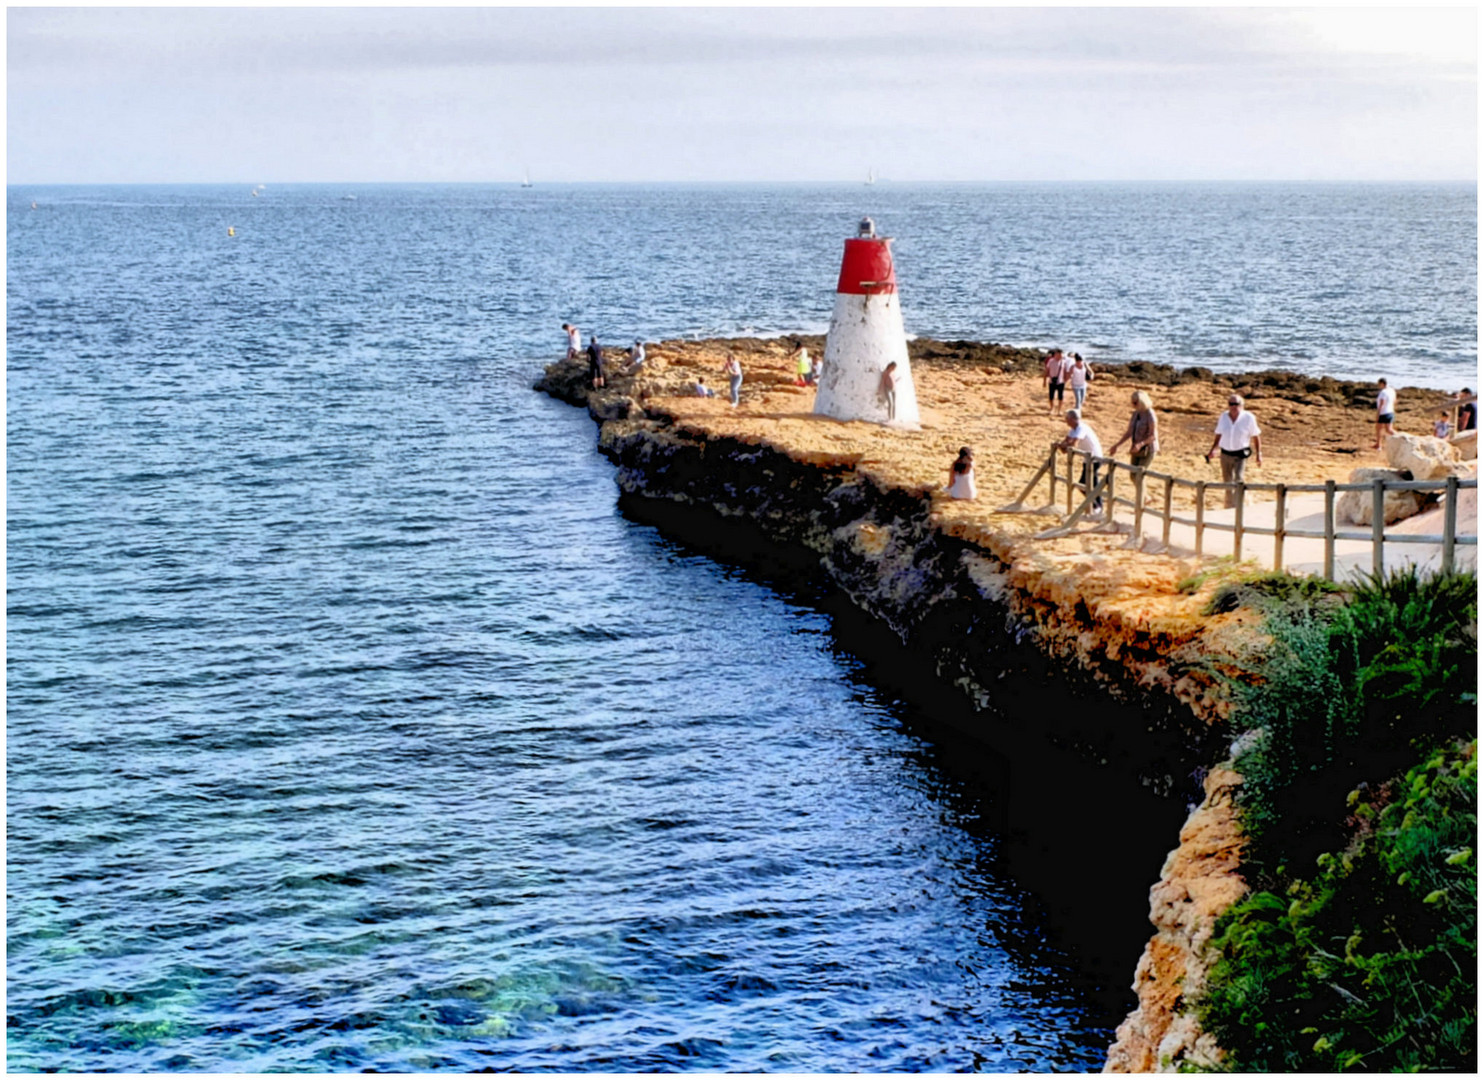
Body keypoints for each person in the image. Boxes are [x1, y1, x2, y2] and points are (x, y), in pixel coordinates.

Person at [1205, 394, 1262, 508]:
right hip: (1225, 453)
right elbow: (1219, 433)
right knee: (1227, 481)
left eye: (1236, 404)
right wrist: (1213, 449)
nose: (1233, 407)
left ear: (1242, 405)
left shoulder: (1248, 418)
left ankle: (1238, 505)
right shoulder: (1223, 417)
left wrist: (1258, 454)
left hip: (1240, 454)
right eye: (1231, 404)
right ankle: (1228, 505)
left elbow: (1256, 436)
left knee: (1238, 479)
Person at [1060, 408, 1104, 513]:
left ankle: (1096, 505)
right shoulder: (1073, 430)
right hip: (1087, 459)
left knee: (1084, 484)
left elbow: (1073, 444)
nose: (1066, 420)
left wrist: (1064, 445)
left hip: (1094, 458)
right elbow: (1065, 446)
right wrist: (1063, 445)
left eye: (1067, 418)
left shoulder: (1081, 428)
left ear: (1072, 419)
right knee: (1090, 483)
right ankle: (1097, 505)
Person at [1107, 390, 1159, 468]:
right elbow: (1129, 432)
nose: (1133, 405)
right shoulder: (1136, 414)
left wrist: (1141, 444)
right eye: (1132, 403)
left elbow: (1153, 436)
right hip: (1136, 449)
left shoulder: (1150, 414)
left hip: (1147, 449)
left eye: (1135, 403)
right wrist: (1117, 445)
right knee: (1133, 474)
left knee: (1139, 474)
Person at [1373, 378, 1397, 449]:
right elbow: (1394, 400)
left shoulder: (1383, 392)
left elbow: (1381, 403)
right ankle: (1398, 437)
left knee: (1379, 428)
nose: (1379, 386)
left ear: (1382, 384)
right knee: (1389, 429)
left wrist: (1378, 414)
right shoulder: (1392, 390)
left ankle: (1378, 445)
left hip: (1383, 412)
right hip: (1390, 411)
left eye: (1379, 384)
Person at [1043, 348, 1067, 415]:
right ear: (1056, 354)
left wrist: (1065, 379)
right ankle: (1052, 409)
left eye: (1061, 354)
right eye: (1059, 354)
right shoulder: (1051, 361)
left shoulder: (1063, 361)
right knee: (1051, 396)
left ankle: (1059, 410)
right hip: (1052, 381)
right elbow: (1047, 370)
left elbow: (1065, 371)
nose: (1060, 356)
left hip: (1061, 381)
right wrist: (1044, 380)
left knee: (1060, 396)